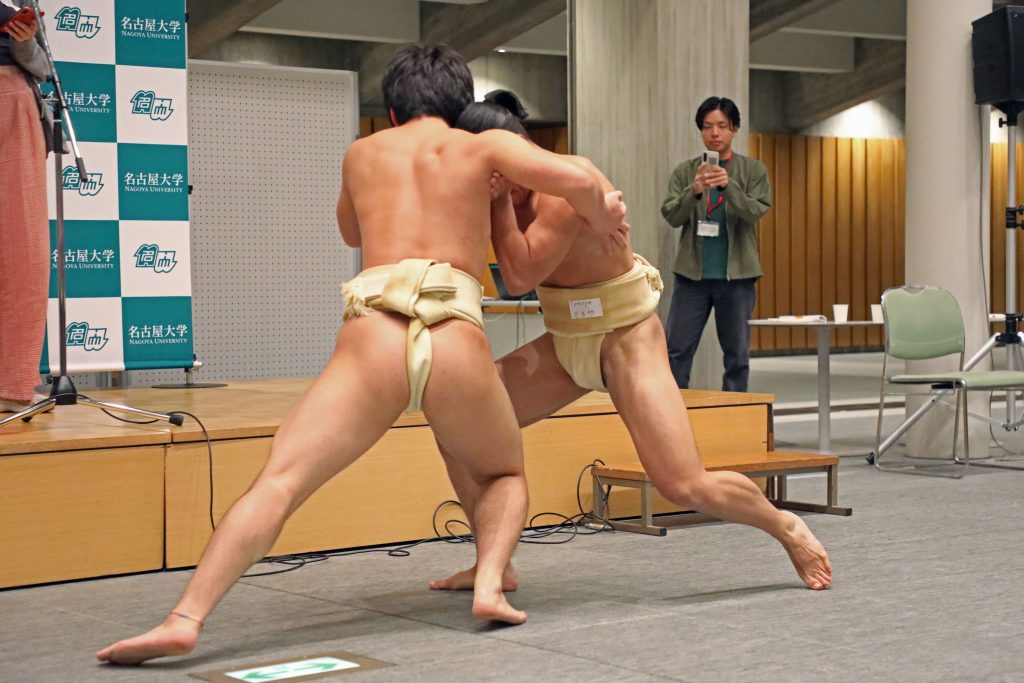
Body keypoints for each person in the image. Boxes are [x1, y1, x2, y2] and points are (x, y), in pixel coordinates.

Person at [96, 43, 628, 665]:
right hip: (453, 331)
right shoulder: (482, 146)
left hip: (375, 328)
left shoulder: (362, 152)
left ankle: (185, 618)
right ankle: (490, 583)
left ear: (394, 110)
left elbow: (351, 232)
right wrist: (605, 210)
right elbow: (580, 178)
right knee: (501, 473)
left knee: (280, 480)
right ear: (461, 107)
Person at [429, 92, 830, 597]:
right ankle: (493, 562)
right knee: (455, 430)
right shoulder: (492, 196)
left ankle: (784, 526)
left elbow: (518, 274)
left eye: (493, 163)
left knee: (682, 483)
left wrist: (497, 207)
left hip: (626, 339)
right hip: (564, 341)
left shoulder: (561, 189)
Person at [661, 96, 771, 392]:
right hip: (691, 277)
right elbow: (671, 215)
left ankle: (733, 417)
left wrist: (729, 186)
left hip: (736, 279)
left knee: (737, 355)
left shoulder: (753, 170)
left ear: (734, 129)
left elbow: (755, 211)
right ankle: (672, 415)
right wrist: (693, 191)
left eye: (722, 126)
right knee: (676, 351)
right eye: (708, 126)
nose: (715, 133)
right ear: (700, 131)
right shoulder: (686, 171)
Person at [0, 2, 50, 413]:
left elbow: (45, 68)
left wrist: (26, 41)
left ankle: (14, 384)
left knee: (25, 252)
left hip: (15, 99)